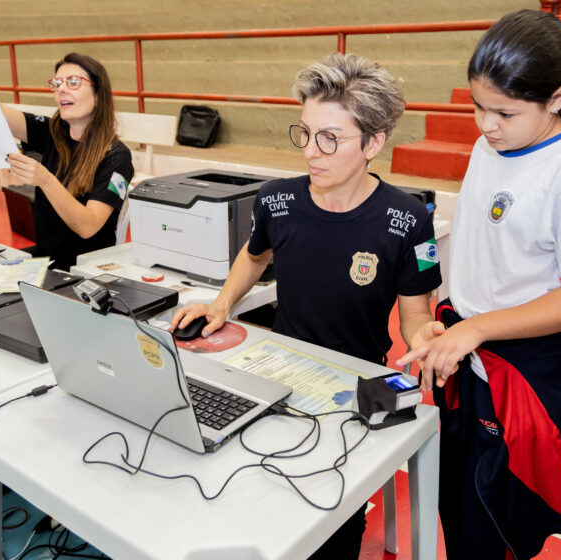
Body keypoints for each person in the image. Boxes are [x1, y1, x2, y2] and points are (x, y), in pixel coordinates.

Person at [171, 52, 442, 559]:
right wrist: (222, 304)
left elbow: (413, 313)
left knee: (329, 520)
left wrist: (422, 334)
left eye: (330, 139)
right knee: (239, 487)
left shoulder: (407, 220)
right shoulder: (276, 200)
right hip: (274, 371)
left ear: (374, 143)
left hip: (354, 387)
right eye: (305, 133)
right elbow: (253, 258)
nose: (311, 153)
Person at [398, 10, 561, 559]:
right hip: (467, 349)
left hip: (525, 368)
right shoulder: (488, 147)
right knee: (457, 502)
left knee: (496, 522)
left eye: (504, 112)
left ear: (557, 98)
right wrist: (446, 314)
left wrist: (476, 326)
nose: (486, 124)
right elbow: (488, 253)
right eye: (478, 106)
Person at [0, 48, 134, 271]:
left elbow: (88, 226)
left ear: (98, 95)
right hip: (45, 259)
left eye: (72, 82)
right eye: (57, 83)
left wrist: (46, 180)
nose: (61, 89)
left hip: (84, 269)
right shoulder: (51, 132)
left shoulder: (117, 156)